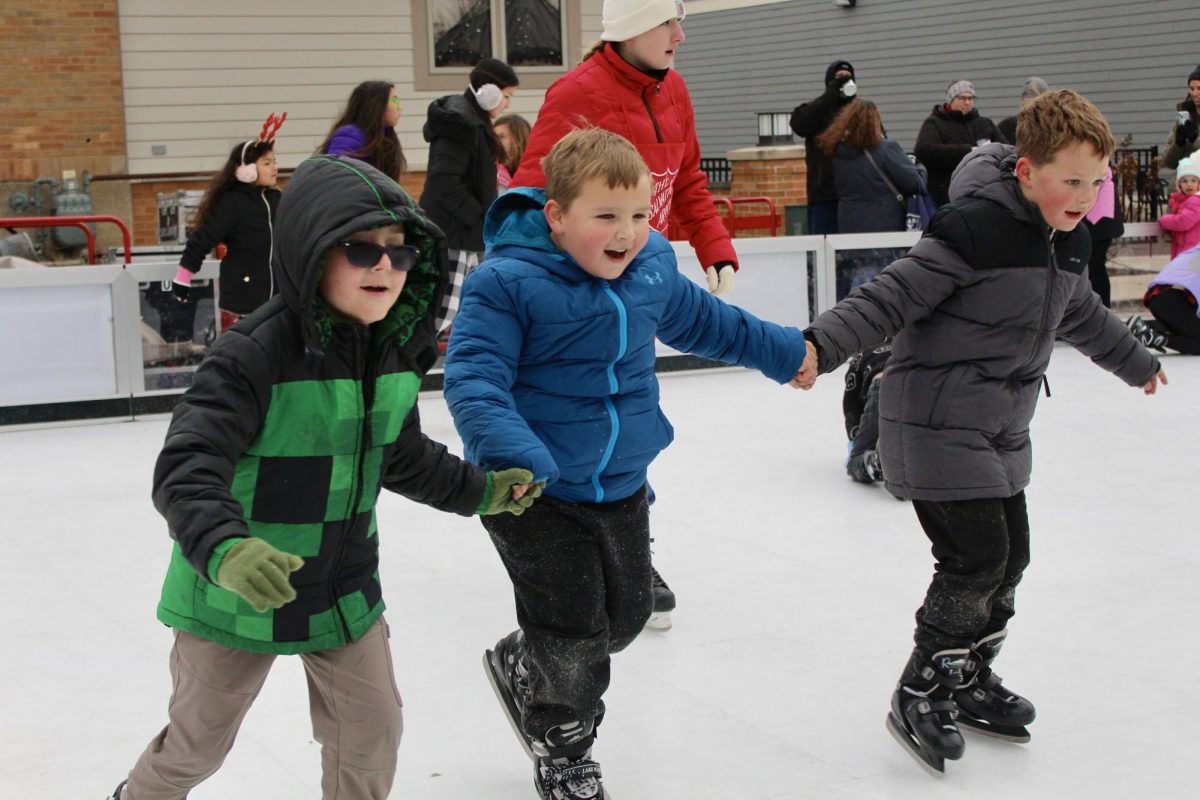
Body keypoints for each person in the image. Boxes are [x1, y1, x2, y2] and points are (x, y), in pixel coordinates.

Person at [107, 155, 538, 800]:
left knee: (372, 734)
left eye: (401, 253)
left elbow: (400, 455)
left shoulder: (393, 351)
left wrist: (482, 490)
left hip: (343, 587)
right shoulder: (251, 356)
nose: (385, 267)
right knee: (197, 744)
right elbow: (187, 466)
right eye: (362, 250)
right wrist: (227, 549)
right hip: (234, 592)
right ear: (312, 251)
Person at [797, 90, 1165, 774]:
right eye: (1071, 180)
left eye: (1097, 180)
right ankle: (922, 686)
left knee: (1011, 558)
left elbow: (1080, 313)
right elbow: (891, 295)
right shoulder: (971, 229)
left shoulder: (1068, 241)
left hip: (1000, 429)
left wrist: (1135, 360)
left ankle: (966, 675)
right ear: (1027, 172)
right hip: (933, 424)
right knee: (975, 559)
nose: (1085, 196)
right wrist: (821, 343)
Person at [443, 128, 811, 800]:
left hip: (619, 483)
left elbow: (712, 323)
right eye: (606, 217)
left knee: (629, 616)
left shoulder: (650, 271)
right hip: (530, 489)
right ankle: (564, 747)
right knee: (575, 630)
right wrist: (513, 453)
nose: (628, 233)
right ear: (556, 216)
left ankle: (525, 660)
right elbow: (473, 377)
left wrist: (787, 352)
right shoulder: (506, 284)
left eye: (641, 215)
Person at [510, 0, 738, 298]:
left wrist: (715, 248)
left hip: (644, 278)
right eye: (665, 22)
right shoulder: (575, 93)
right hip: (585, 290)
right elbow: (531, 197)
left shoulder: (675, 90)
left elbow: (686, 181)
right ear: (631, 30)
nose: (680, 35)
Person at [419, 57, 518, 334]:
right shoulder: (461, 126)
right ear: (489, 92)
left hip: (470, 235)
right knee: (443, 312)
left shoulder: (473, 122)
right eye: (507, 96)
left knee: (474, 305)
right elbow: (444, 181)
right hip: (454, 235)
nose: (508, 103)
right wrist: (478, 215)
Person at [173, 114, 285, 332]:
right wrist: (183, 277)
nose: (274, 168)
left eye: (275, 162)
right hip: (243, 304)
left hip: (277, 301)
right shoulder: (232, 204)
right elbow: (203, 239)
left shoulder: (277, 199)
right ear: (247, 170)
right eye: (267, 163)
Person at [816, 99, 922, 233]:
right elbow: (913, 183)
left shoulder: (836, 153)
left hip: (849, 225)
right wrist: (920, 169)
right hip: (886, 224)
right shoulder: (886, 149)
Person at [914, 80, 1008, 207]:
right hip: (946, 195)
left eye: (971, 98)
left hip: (984, 193)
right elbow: (924, 151)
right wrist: (967, 152)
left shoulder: (985, 124)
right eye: (962, 98)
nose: (967, 102)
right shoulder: (934, 123)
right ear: (951, 99)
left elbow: (1005, 150)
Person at [791, 59, 858, 234]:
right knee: (822, 249)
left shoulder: (859, 112)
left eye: (848, 77)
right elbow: (800, 124)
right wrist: (830, 95)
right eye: (839, 77)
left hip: (855, 196)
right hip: (824, 196)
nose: (844, 80)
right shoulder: (818, 110)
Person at [319, 80, 407, 181]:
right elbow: (336, 177)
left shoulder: (386, 135)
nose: (400, 107)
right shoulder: (349, 136)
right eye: (394, 101)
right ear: (376, 105)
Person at [1128, 241, 1200, 355]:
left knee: (1191, 337)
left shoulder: (1195, 252)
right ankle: (1152, 336)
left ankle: (1145, 328)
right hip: (1173, 298)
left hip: (1161, 296)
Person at [842, 340, 892, 485]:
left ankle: (875, 463)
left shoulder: (862, 354)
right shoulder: (907, 344)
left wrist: (855, 438)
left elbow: (851, 404)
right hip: (913, 386)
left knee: (856, 460)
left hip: (882, 386)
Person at [1083, 166, 1123, 306]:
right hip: (1098, 219)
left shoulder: (1093, 159)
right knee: (1091, 267)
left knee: (1094, 266)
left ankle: (1101, 308)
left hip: (1099, 221)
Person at [1157, 154, 1200, 258]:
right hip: (1184, 249)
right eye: (1185, 181)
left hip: (1191, 252)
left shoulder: (1195, 201)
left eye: (1193, 180)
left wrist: (1164, 220)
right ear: (1179, 184)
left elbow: (1183, 222)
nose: (1189, 184)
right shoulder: (1181, 201)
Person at [1163, 63, 1200, 170]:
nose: (1195, 93)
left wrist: (1195, 139)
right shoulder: (1184, 116)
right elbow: (1169, 162)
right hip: (1182, 183)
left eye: (1199, 88)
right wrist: (1179, 144)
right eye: (1192, 88)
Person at [997, 76, 1049, 145]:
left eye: (1034, 95)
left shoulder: (1052, 128)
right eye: (1027, 94)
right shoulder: (1006, 127)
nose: (1030, 100)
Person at [495, 113, 531, 191]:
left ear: (518, 140)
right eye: (493, 136)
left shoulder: (532, 174)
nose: (494, 140)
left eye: (501, 136)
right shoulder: (493, 172)